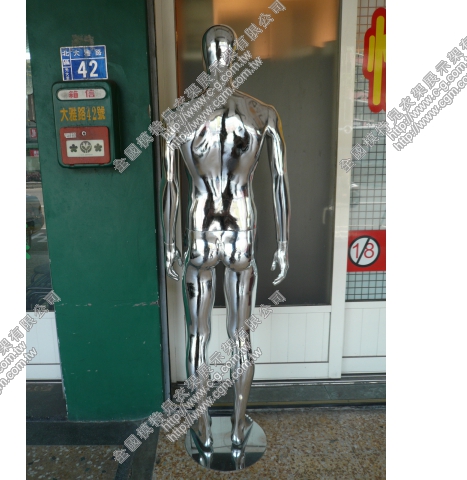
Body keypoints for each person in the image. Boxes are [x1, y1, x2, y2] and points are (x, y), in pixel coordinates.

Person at [161, 24, 291, 448]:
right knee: (241, 336)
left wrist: (169, 245)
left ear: (205, 58)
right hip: (242, 233)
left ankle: (201, 430)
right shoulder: (262, 113)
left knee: (198, 336)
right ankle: (236, 430)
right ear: (233, 56)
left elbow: (171, 187)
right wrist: (283, 244)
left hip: (199, 232)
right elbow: (279, 181)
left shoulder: (178, 118)